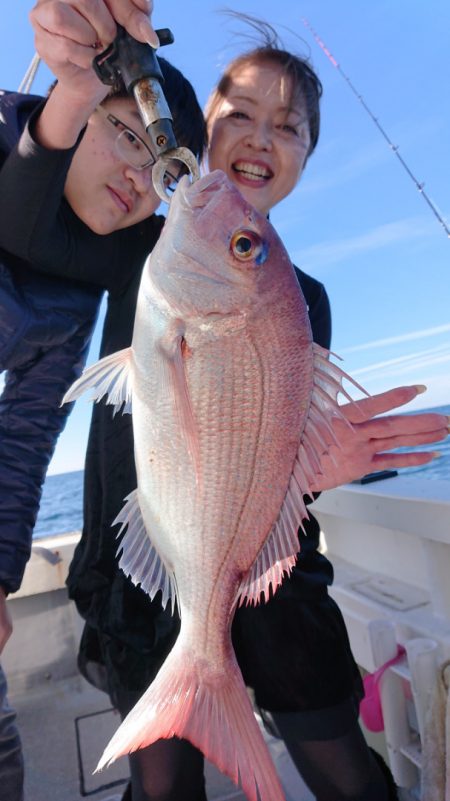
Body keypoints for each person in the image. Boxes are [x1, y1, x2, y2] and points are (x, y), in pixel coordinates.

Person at [2, 3, 447, 801]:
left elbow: (272, 447)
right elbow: (27, 221)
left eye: (290, 127)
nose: (262, 136)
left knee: (341, 763)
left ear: (306, 156)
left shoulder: (301, 295)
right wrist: (71, 89)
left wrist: (308, 473)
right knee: (164, 784)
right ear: (200, 127)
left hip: (269, 564)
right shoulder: (137, 234)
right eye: (240, 112)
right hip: (137, 567)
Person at [0, 3, 206, 800]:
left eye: (160, 169)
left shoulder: (81, 299)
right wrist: (71, 86)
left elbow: (23, 437)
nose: (137, 175)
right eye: (128, 132)